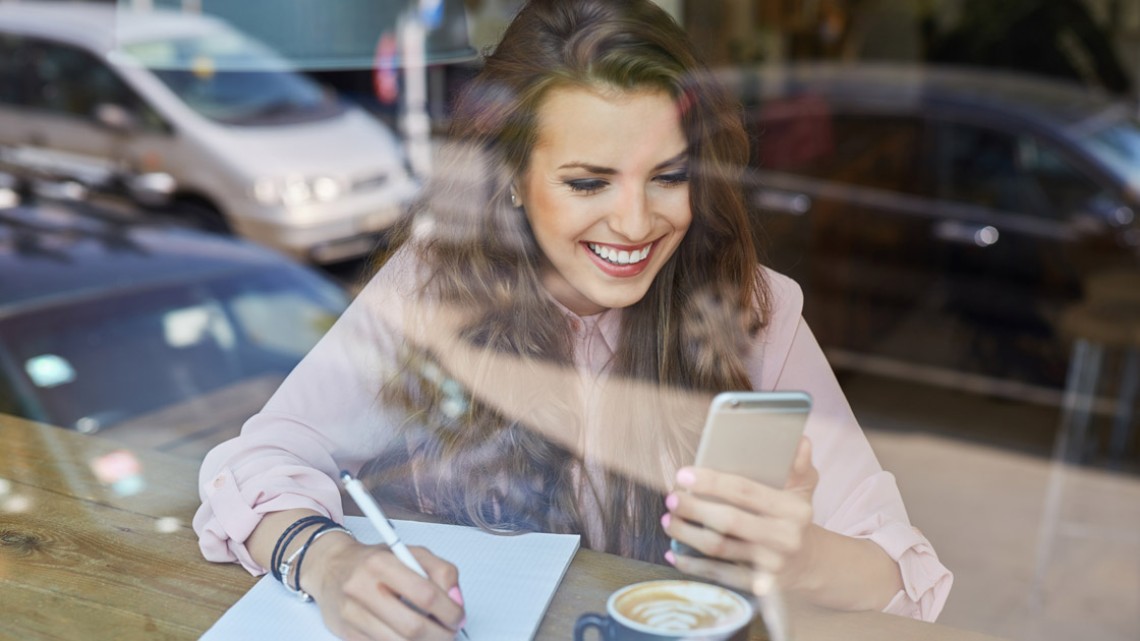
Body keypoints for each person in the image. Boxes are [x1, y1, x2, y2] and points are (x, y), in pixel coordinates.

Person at [193, 1, 953, 639]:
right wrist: (329, 563)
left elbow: (905, 580)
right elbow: (253, 464)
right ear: (513, 180)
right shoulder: (437, 285)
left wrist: (799, 555)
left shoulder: (756, 309)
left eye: (669, 176)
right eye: (588, 181)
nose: (634, 222)